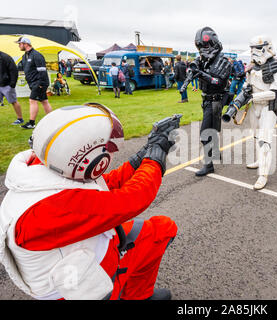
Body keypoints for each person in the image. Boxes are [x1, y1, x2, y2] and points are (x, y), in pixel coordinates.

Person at [0, 103, 179, 300]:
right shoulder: (51, 209)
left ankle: (140, 295)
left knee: (155, 230)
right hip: (78, 287)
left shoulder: (41, 169)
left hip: (77, 258)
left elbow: (101, 186)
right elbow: (133, 198)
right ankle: (133, 294)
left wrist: (141, 156)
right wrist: (156, 153)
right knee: (161, 230)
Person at [224, 35, 277, 190]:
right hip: (254, 106)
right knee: (257, 136)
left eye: (257, 48)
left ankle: (263, 174)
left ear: (267, 47)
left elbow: (274, 92)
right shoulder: (252, 66)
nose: (253, 51)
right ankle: (260, 161)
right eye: (252, 48)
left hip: (268, 106)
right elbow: (247, 85)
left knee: (265, 140)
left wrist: (252, 96)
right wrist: (237, 102)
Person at [180, 27, 232, 176]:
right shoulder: (205, 60)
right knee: (213, 129)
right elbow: (195, 65)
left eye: (205, 46)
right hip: (207, 100)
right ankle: (215, 152)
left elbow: (218, 82)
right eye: (200, 47)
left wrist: (201, 74)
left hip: (216, 99)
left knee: (205, 133)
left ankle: (208, 165)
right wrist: (192, 69)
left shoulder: (223, 62)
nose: (203, 50)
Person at [16, 36, 52, 129]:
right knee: (44, 101)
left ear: (25, 44)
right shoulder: (24, 56)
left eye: (20, 43)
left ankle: (31, 123)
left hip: (39, 82)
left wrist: (40, 84)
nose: (19, 46)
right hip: (32, 83)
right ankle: (53, 119)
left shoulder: (36, 55)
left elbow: (42, 71)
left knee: (32, 100)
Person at [0, 50, 24, 125]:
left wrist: (12, 84)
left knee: (13, 101)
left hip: (7, 84)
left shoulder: (6, 57)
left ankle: (20, 119)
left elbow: (14, 70)